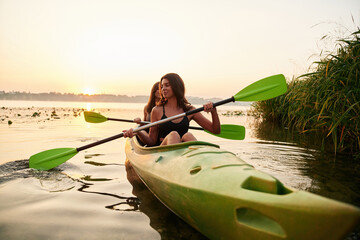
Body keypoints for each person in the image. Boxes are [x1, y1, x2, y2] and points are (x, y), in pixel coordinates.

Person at [123, 73, 220, 146]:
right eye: (162, 86)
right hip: (163, 152)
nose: (163, 89)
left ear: (176, 87)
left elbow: (215, 130)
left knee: (188, 136)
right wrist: (138, 131)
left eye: (167, 85)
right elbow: (152, 141)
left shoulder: (190, 110)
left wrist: (213, 111)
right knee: (174, 135)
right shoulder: (157, 110)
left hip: (183, 151)